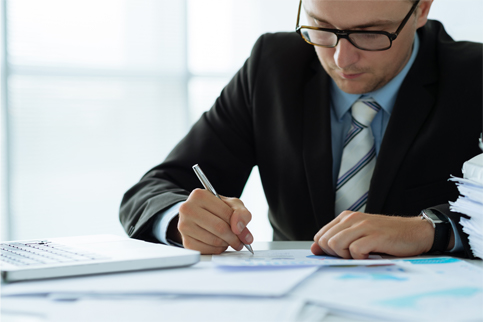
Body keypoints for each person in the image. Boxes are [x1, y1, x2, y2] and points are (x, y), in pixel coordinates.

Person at [119, 0, 482, 259]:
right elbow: (151, 191)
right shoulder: (273, 65)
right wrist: (182, 217)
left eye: (371, 34)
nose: (342, 59)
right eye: (322, 28)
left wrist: (427, 229)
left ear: (421, 9)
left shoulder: (474, 76)